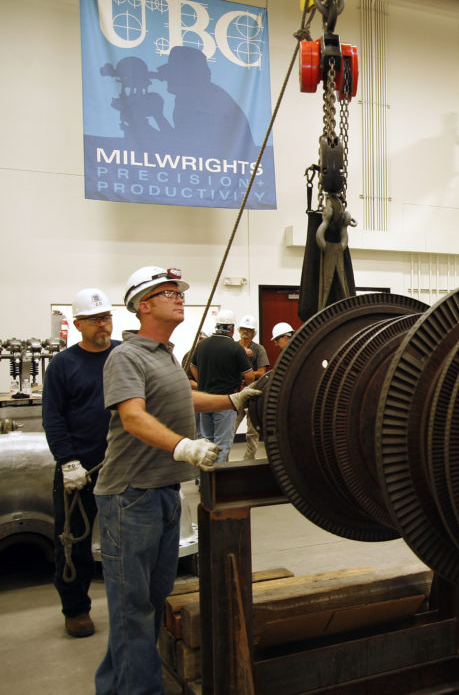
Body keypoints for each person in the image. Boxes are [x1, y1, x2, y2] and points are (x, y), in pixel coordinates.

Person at [93, 266, 259, 695]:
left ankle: (115, 687)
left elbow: (183, 396)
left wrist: (231, 399)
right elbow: (133, 417)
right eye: (168, 293)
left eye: (179, 292)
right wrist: (185, 447)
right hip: (131, 496)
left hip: (164, 493)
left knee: (148, 604)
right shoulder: (125, 356)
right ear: (142, 306)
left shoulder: (165, 354)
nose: (179, 298)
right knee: (133, 609)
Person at [41, 288, 120, 638]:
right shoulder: (63, 365)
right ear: (77, 324)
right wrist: (67, 461)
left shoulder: (124, 355)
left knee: (127, 540)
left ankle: (130, 605)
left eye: (106, 317)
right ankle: (75, 609)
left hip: (122, 464)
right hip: (80, 470)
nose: (102, 324)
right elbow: (53, 418)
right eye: (94, 319)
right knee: (73, 540)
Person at [190, 309, 254, 464]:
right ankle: (216, 483)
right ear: (232, 329)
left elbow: (193, 367)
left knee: (206, 443)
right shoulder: (235, 348)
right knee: (222, 445)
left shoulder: (202, 345)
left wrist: (203, 383)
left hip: (205, 402)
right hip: (225, 402)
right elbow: (250, 376)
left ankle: (204, 482)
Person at [236, 314, 269, 461]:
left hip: (253, 394)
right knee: (231, 426)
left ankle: (249, 460)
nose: (246, 331)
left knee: (252, 431)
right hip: (236, 393)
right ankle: (222, 460)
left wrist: (246, 375)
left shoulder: (259, 349)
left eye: (249, 329)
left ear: (253, 332)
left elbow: (262, 372)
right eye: (243, 328)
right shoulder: (234, 347)